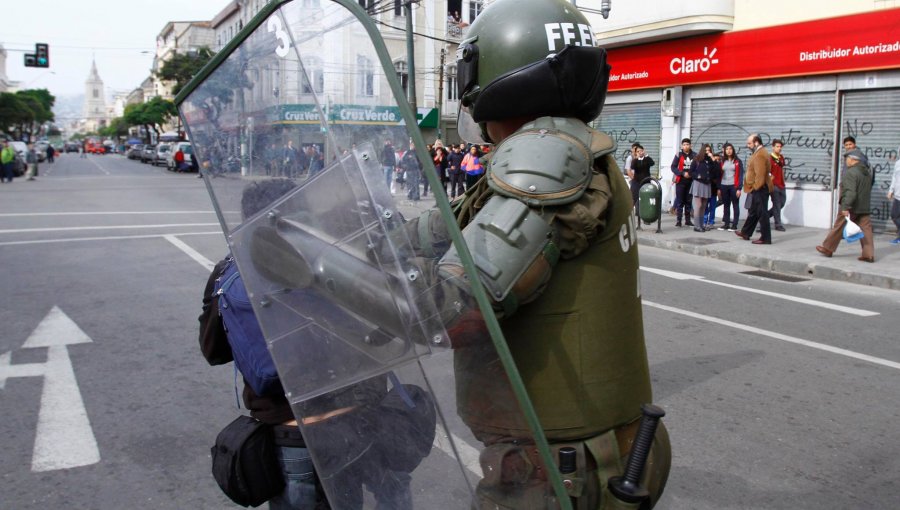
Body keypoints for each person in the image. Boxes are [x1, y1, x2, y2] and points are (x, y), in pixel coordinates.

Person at [398, 0, 671, 506]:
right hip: (581, 454)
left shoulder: (548, 156)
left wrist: (329, 274)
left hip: (560, 468)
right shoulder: (565, 154)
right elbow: (448, 224)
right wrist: (371, 236)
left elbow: (457, 307)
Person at [198, 180, 323, 510]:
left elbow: (213, 351)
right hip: (353, 416)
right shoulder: (334, 258)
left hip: (288, 425)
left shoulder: (230, 269)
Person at [816, 149, 875, 262]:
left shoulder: (851, 172)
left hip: (851, 206)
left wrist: (845, 207)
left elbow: (850, 192)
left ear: (853, 160)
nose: (846, 161)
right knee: (866, 230)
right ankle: (869, 255)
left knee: (838, 226)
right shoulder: (867, 172)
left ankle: (828, 248)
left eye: (847, 159)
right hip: (864, 206)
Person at [736, 134, 773, 244]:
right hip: (758, 188)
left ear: (756, 142)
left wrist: (756, 187)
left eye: (749, 143)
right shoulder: (758, 153)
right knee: (753, 211)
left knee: (762, 213)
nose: (748, 146)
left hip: (760, 188)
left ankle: (766, 238)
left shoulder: (760, 154)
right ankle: (746, 232)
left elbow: (760, 174)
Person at [717, 143, 744, 231]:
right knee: (726, 205)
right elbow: (719, 174)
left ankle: (735, 225)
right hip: (724, 185)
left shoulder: (737, 161)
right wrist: (719, 187)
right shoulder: (722, 161)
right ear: (724, 151)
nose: (729, 151)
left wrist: (739, 188)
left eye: (730, 149)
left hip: (734, 186)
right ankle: (726, 224)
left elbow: (740, 175)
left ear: (733, 150)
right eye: (727, 149)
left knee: (735, 205)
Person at [689, 144, 716, 232]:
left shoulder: (710, 161)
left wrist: (713, 159)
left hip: (707, 184)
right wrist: (698, 176)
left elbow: (716, 170)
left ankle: (701, 225)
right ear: (702, 150)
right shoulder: (697, 159)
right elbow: (691, 172)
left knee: (704, 206)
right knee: (698, 205)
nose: (707, 152)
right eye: (706, 150)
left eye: (709, 150)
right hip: (698, 183)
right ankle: (696, 226)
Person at [670, 138, 695, 227]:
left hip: (691, 181)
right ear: (681, 146)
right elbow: (673, 167)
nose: (686, 146)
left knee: (688, 201)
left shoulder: (694, 155)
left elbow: (697, 167)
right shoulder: (678, 155)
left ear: (690, 145)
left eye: (687, 144)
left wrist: (691, 174)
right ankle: (679, 220)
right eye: (684, 145)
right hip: (680, 181)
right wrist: (682, 173)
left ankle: (688, 220)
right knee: (680, 201)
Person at [769, 139, 787, 231]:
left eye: (780, 147)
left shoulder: (781, 157)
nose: (779, 148)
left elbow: (782, 168)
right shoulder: (770, 158)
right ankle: (778, 224)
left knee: (782, 203)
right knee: (776, 204)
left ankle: (764, 216)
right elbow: (767, 171)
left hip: (781, 184)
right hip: (774, 185)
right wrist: (770, 179)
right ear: (773, 147)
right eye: (777, 146)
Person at [703, 149, 722, 228]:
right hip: (707, 188)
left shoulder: (717, 166)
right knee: (705, 206)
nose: (717, 160)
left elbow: (718, 176)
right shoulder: (709, 165)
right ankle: (704, 221)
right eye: (715, 159)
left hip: (714, 189)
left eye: (718, 159)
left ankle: (711, 221)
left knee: (712, 207)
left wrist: (718, 189)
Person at [889, 146, 900, 245]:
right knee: (894, 215)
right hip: (897, 195)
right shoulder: (897, 163)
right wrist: (891, 190)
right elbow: (894, 177)